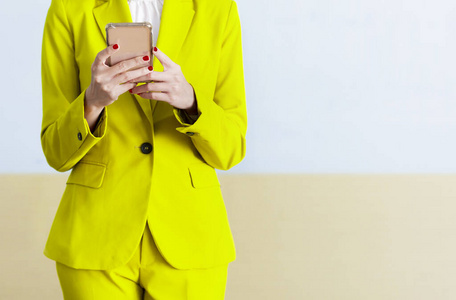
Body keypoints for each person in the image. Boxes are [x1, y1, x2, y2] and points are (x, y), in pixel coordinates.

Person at [40, 0, 247, 298]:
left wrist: (190, 101)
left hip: (190, 236)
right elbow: (55, 152)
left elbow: (231, 148)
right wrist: (92, 102)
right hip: (94, 236)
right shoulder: (70, 8)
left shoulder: (217, 8)